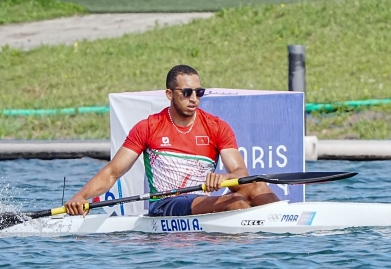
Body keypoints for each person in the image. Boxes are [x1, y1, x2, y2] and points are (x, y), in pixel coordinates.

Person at [64, 65, 280, 217]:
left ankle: (281, 231)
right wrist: (81, 196)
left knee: (257, 186)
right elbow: (113, 172)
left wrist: (224, 178)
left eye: (199, 92)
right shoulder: (148, 127)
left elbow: (241, 173)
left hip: (200, 201)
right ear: (169, 94)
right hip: (164, 203)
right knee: (236, 204)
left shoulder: (216, 126)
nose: (194, 98)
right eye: (186, 92)